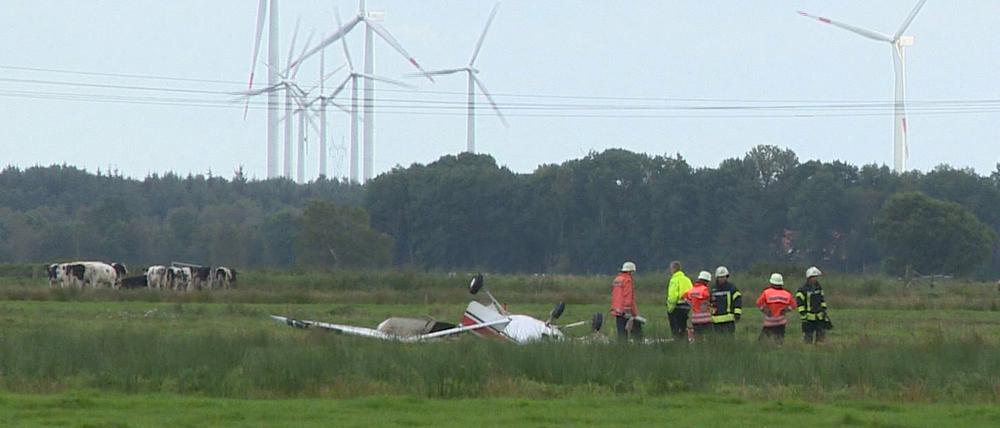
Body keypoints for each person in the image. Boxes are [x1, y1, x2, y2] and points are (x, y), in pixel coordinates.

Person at [756, 273, 796, 344]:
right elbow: (794, 305)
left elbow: (758, 303)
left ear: (771, 283)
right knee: (779, 342)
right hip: (781, 321)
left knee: (762, 342)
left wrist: (764, 310)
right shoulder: (787, 294)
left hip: (769, 321)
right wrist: (786, 310)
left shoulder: (766, 292)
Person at [796, 266, 829, 344]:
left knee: (821, 338)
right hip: (808, 318)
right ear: (809, 278)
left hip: (819, 316)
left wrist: (823, 309)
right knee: (808, 338)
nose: (815, 279)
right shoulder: (802, 290)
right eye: (813, 277)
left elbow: (822, 299)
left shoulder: (819, 288)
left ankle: (819, 350)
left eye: (816, 277)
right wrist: (803, 315)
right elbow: (800, 304)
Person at [610, 261, 641, 341]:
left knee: (621, 332)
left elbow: (614, 295)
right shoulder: (627, 280)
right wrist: (631, 311)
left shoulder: (617, 279)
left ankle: (622, 348)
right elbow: (628, 295)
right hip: (626, 310)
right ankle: (638, 346)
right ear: (630, 271)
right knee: (636, 329)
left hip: (617, 310)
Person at [710, 266, 742, 337]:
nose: (722, 279)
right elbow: (710, 302)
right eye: (720, 277)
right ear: (717, 277)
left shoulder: (732, 288)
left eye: (723, 277)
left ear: (727, 277)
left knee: (729, 341)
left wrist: (737, 313)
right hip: (715, 321)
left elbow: (737, 300)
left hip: (728, 320)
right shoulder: (713, 289)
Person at [666, 261, 692, 341]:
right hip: (686, 307)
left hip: (677, 307)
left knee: (676, 329)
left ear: (673, 269)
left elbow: (673, 296)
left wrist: (669, 308)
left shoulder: (674, 280)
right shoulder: (687, 280)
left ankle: (677, 344)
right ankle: (685, 342)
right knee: (683, 327)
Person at [683, 270, 713, 339]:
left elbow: (685, 298)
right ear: (706, 281)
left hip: (695, 319)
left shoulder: (691, 290)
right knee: (708, 339)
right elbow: (709, 298)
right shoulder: (705, 289)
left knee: (698, 338)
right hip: (705, 319)